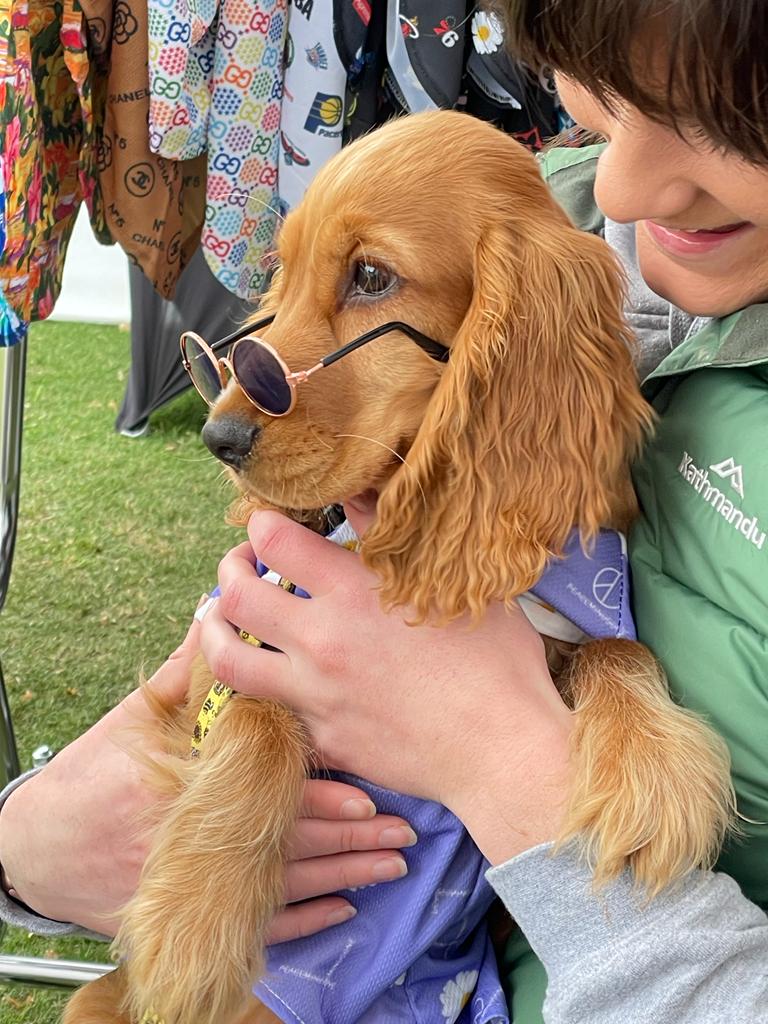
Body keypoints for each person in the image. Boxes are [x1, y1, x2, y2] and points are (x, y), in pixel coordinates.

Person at [2, 1, 768, 1020]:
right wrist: (30, 845)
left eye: (720, 116)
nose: (618, 186)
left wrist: (510, 755)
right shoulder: (551, 212)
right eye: (611, 102)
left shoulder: (534, 277)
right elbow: (239, 663)